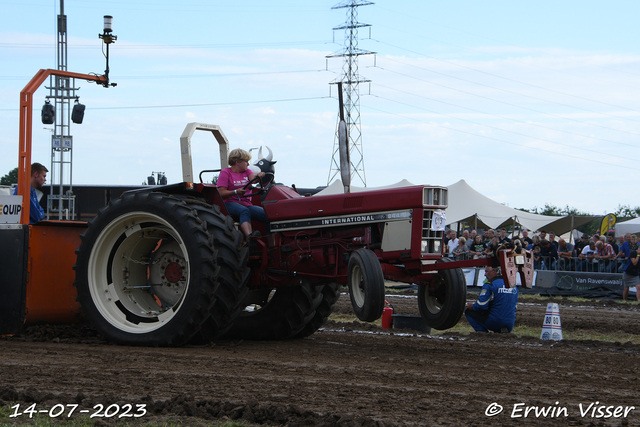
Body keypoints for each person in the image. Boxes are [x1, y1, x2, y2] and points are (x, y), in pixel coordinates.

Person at [217, 148, 268, 241]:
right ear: (237, 162)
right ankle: (250, 237)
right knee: (244, 211)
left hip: (246, 203)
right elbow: (220, 193)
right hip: (229, 203)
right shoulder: (225, 173)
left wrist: (259, 176)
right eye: (246, 161)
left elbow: (254, 179)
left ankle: (272, 246)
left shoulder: (247, 171)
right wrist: (235, 192)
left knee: (268, 215)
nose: (248, 164)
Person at [465, 266, 518, 333]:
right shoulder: (513, 285)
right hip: (510, 323)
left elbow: (481, 305)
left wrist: (472, 306)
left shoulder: (489, 284)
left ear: (494, 271)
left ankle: (482, 334)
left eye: (486, 272)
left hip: (494, 322)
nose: (485, 274)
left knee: (468, 312)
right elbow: (514, 307)